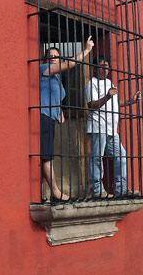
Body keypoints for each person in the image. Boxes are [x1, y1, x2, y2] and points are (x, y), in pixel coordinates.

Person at [40, 36, 94, 201]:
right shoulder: (44, 69)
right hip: (43, 116)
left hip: (51, 118)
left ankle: (45, 193)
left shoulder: (56, 78)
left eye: (56, 57)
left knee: (46, 154)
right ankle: (56, 193)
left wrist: (60, 111)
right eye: (50, 57)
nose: (53, 59)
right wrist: (86, 50)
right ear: (45, 59)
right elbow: (70, 64)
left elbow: (57, 96)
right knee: (46, 155)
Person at [85, 56, 141, 198]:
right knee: (97, 158)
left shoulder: (110, 82)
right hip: (98, 126)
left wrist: (131, 101)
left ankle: (121, 189)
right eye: (101, 66)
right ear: (95, 69)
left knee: (121, 155)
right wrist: (107, 96)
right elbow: (92, 104)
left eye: (107, 67)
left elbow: (115, 102)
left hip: (111, 129)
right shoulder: (92, 84)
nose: (105, 69)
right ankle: (97, 191)